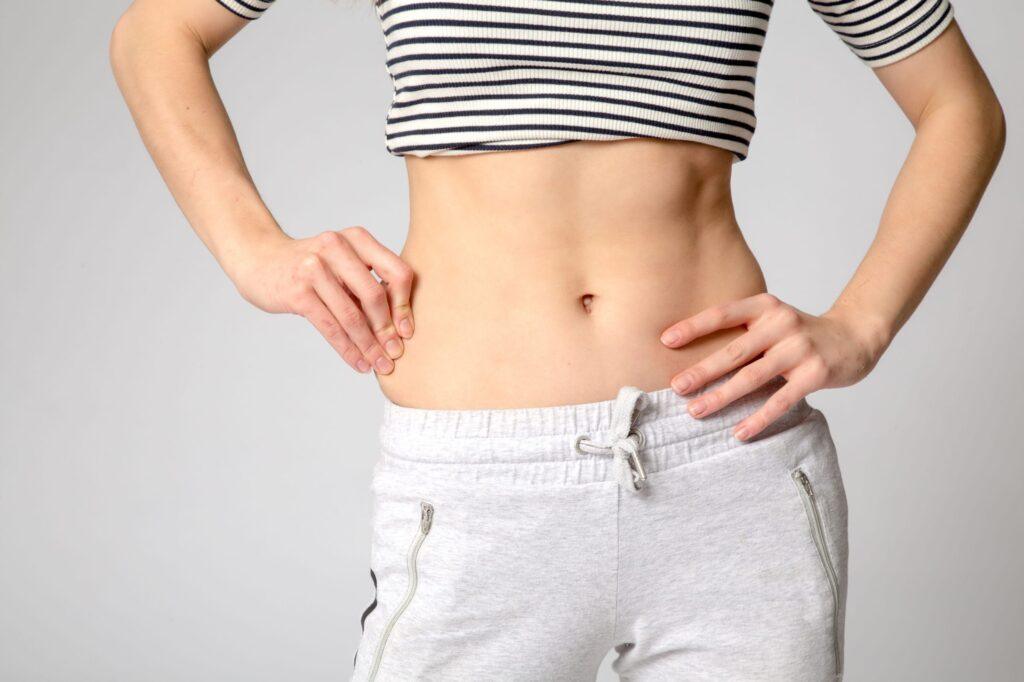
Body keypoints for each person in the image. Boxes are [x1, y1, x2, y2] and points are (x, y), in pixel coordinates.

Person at [109, 0, 1004, 678]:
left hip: (730, 468)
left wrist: (861, 324)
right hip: (480, 490)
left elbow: (959, 105)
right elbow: (155, 31)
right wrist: (253, 250)